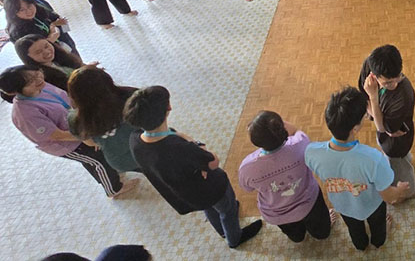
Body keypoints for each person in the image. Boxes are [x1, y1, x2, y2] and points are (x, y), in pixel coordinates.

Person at [123, 85, 263, 248]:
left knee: (208, 208)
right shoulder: (178, 147)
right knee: (228, 209)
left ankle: (222, 231)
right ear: (168, 108)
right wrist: (194, 143)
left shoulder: (135, 140)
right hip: (210, 188)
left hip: (186, 194)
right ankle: (234, 238)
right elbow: (213, 161)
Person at [0, 65, 137, 198]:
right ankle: (114, 189)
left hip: (79, 130)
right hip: (67, 144)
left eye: (37, 73)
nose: (38, 79)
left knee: (98, 154)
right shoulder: (25, 113)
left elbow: (67, 100)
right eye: (30, 81)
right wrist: (88, 136)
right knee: (97, 160)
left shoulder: (43, 86)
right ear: (15, 91)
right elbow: (56, 135)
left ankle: (111, 173)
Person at [304, 87, 410, 251]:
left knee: (354, 228)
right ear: (355, 128)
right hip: (372, 206)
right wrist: (400, 190)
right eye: (364, 116)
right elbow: (389, 196)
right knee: (378, 226)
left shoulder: (311, 151)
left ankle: (361, 245)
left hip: (343, 206)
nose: (367, 116)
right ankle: (378, 242)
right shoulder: (373, 159)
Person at [238, 111, 333, 243]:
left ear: (254, 141)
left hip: (277, 213)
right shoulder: (300, 143)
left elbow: (247, 188)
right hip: (309, 202)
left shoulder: (247, 167)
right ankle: (321, 232)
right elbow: (296, 130)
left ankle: (298, 238)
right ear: (282, 128)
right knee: (322, 231)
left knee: (296, 236)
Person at [357, 45, 415, 202]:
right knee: (396, 160)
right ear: (374, 75)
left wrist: (373, 98)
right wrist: (375, 112)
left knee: (398, 161)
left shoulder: (403, 95)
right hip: (388, 136)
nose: (394, 84)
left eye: (397, 78)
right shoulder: (369, 63)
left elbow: (382, 127)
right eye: (388, 82)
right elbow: (362, 97)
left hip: (397, 143)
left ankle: (409, 191)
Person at [68, 65, 141, 174]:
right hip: (146, 146)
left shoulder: (76, 118)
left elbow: (89, 142)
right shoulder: (130, 95)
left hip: (120, 160)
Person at [4, 0, 77, 54]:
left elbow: (58, 19)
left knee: (74, 54)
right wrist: (51, 35)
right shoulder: (18, 32)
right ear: (13, 13)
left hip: (62, 43)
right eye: (22, 10)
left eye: (29, 6)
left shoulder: (39, 10)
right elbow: (35, 51)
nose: (28, 11)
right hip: (49, 54)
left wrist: (57, 26)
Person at [14, 34, 83, 91]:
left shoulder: (61, 57)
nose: (46, 52)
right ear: (28, 57)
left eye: (46, 46)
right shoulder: (41, 78)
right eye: (38, 52)